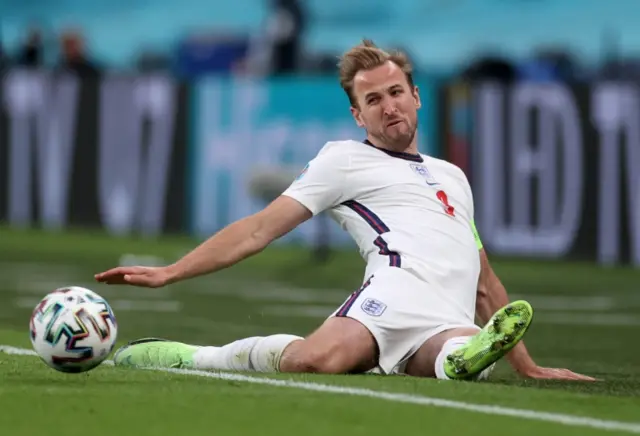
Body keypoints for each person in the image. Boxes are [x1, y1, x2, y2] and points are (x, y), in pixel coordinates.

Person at [95, 40, 594, 381]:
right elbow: (259, 229)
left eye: (396, 93)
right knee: (314, 362)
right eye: (373, 99)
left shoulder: (452, 176)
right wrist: (171, 273)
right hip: (392, 296)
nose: (388, 106)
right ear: (358, 114)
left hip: (451, 313)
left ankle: (463, 356)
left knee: (465, 359)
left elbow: (484, 279)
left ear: (417, 97)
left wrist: (527, 365)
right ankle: (196, 358)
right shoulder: (343, 160)